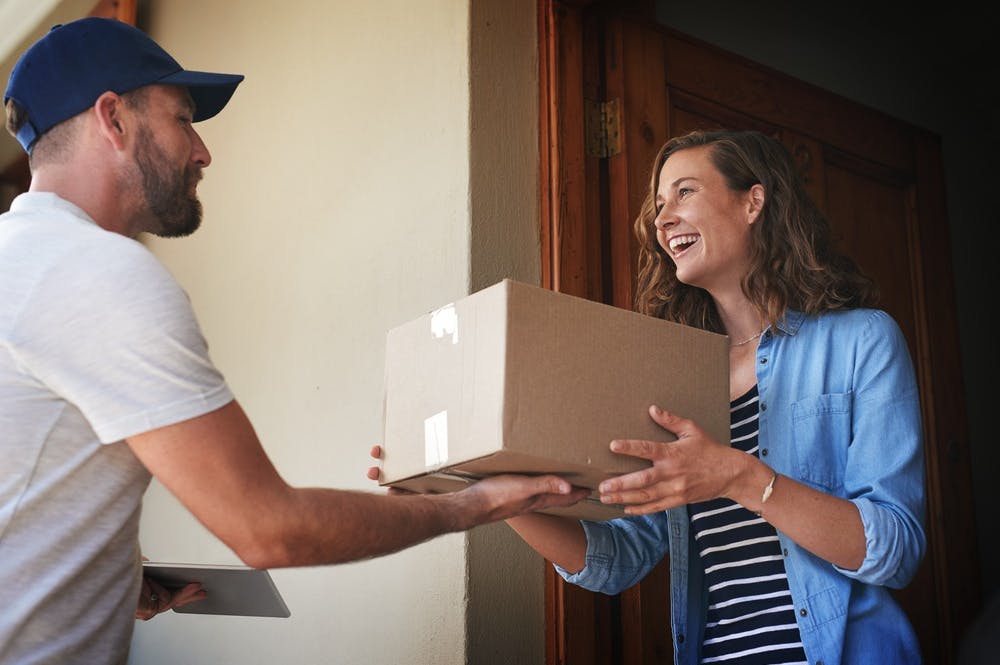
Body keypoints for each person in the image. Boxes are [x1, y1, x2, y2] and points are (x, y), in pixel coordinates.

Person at [0, 17, 587, 665]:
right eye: (182, 117)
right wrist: (474, 504)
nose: (202, 151)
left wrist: (97, 580)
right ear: (114, 118)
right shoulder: (96, 273)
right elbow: (268, 528)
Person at [385, 129, 927, 664]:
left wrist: (738, 476)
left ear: (753, 201)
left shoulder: (862, 341)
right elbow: (618, 558)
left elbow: (895, 550)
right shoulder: (675, 379)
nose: (663, 218)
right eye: (659, 203)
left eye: (685, 192)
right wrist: (486, 487)